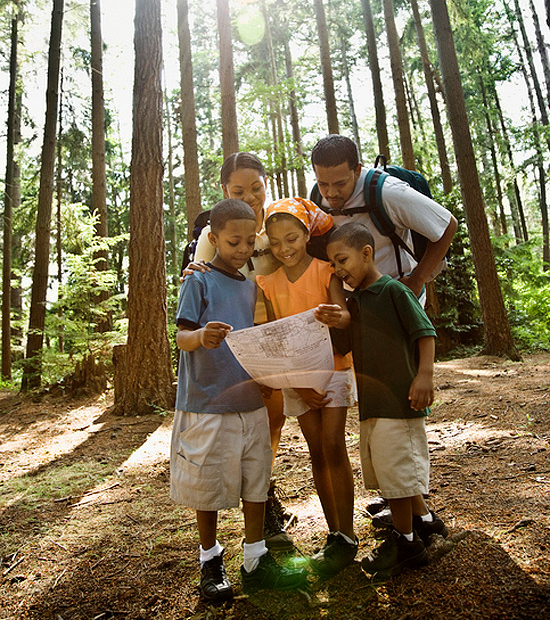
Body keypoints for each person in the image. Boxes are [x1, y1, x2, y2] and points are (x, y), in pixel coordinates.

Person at [170, 199, 307, 602]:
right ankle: (210, 561)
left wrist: (266, 377)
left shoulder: (252, 286)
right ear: (213, 240)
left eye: (250, 242)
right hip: (207, 402)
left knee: (255, 482)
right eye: (233, 242)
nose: (244, 250)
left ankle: (255, 559)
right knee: (208, 486)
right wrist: (201, 337)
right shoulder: (198, 281)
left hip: (250, 402)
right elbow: (180, 336)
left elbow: (257, 339)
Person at [323, 221, 449, 578]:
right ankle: (423, 523)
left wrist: (425, 376)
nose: (339, 269)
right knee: (392, 475)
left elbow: (424, 333)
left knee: (398, 475)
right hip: (373, 406)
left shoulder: (394, 291)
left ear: (367, 253)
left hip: (400, 401)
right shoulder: (356, 301)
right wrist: (335, 303)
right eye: (333, 264)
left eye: (342, 260)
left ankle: (406, 542)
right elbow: (344, 345)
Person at [187, 152, 294, 550]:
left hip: (278, 332)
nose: (249, 197)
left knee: (276, 415)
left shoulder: (281, 222)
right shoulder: (213, 234)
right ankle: (259, 503)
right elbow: (202, 278)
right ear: (224, 192)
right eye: (238, 191)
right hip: (239, 336)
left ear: (267, 184)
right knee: (250, 419)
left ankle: (263, 486)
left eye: (256, 188)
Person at [256, 198, 358, 578]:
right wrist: (297, 383)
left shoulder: (325, 271)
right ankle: (335, 535)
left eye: (292, 238)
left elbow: (344, 316)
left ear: (306, 235)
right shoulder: (268, 283)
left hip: (332, 371)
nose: (285, 248)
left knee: (334, 445)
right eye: (277, 241)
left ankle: (347, 534)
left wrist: (339, 315)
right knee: (317, 452)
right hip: (296, 379)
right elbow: (274, 338)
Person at [310, 135, 457, 302]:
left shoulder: (388, 192)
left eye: (340, 184)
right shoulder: (316, 198)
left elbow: (448, 225)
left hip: (396, 294)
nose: (331, 193)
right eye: (323, 184)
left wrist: (417, 281)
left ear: (357, 170)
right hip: (353, 300)